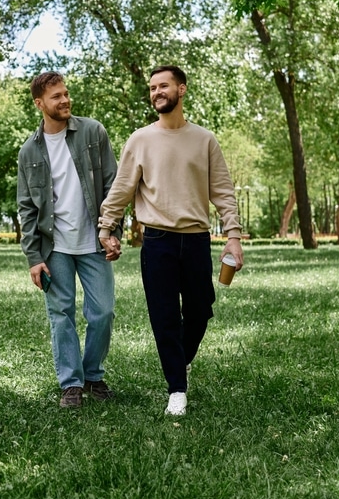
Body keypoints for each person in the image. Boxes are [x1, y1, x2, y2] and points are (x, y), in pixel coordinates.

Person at [98, 65, 243, 416]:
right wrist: (106, 227)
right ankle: (176, 388)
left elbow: (222, 191)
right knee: (164, 317)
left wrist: (233, 236)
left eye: (163, 86)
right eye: (152, 88)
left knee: (199, 310)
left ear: (182, 89)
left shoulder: (204, 139)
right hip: (158, 242)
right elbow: (122, 189)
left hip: (195, 240)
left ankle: (179, 361)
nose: (156, 92)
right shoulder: (140, 140)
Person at [17, 71, 121, 409]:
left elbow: (113, 186)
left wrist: (113, 232)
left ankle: (93, 375)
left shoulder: (92, 132)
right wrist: (34, 257)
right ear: (39, 104)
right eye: (55, 97)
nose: (64, 100)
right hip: (53, 246)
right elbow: (27, 209)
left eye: (65, 93)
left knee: (102, 312)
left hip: (94, 241)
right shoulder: (29, 151)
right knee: (60, 314)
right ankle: (71, 384)